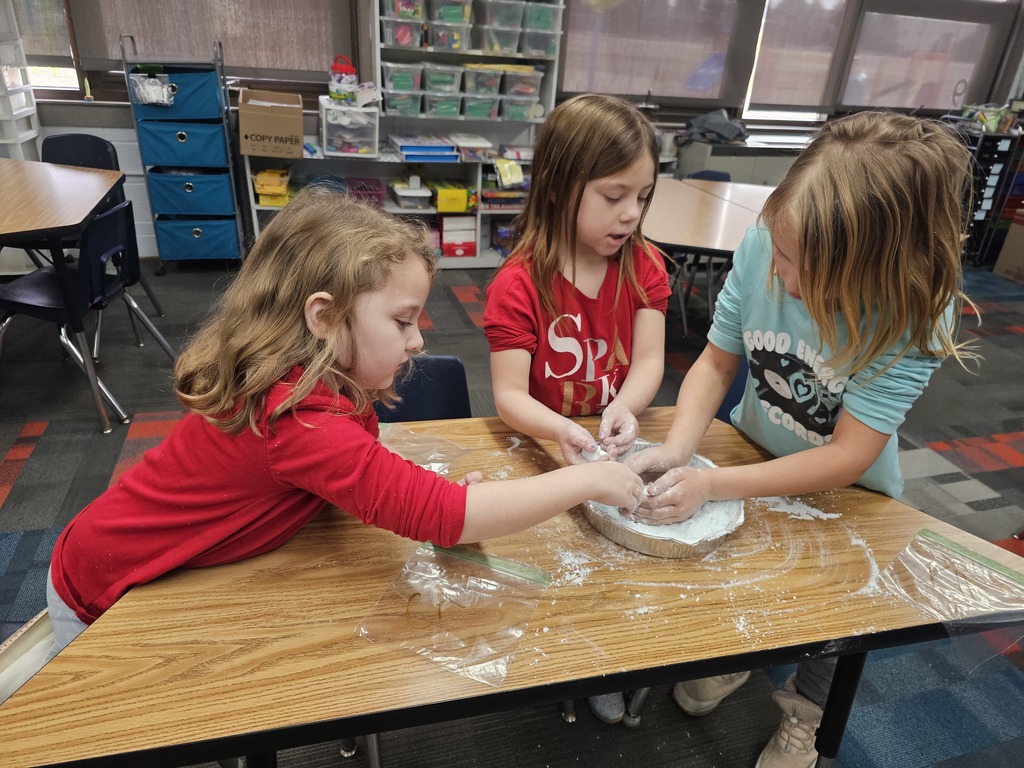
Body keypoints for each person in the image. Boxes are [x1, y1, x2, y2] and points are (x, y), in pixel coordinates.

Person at [37, 188, 645, 678]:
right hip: (101, 592)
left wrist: (451, 505)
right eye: (403, 321)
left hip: (126, 558)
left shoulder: (320, 377)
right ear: (324, 318)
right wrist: (585, 479)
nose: (418, 340)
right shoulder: (296, 419)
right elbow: (443, 516)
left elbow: (376, 484)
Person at [627, 112, 977, 767]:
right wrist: (680, 449)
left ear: (877, 269)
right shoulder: (768, 240)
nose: (784, 281)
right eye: (782, 257)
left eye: (806, 272)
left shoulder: (916, 307)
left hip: (854, 490)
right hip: (757, 446)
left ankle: (802, 715)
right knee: (739, 570)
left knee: (836, 613)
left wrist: (711, 481)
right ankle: (737, 657)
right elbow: (716, 360)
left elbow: (848, 454)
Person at [483, 93, 672, 724]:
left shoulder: (644, 265)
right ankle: (569, 657)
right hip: (546, 447)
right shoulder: (519, 282)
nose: (630, 214)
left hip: (614, 439)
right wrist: (563, 427)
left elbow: (648, 361)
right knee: (560, 565)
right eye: (614, 195)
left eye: (642, 197)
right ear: (564, 187)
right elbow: (509, 396)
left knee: (624, 556)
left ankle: (609, 656)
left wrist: (625, 404)